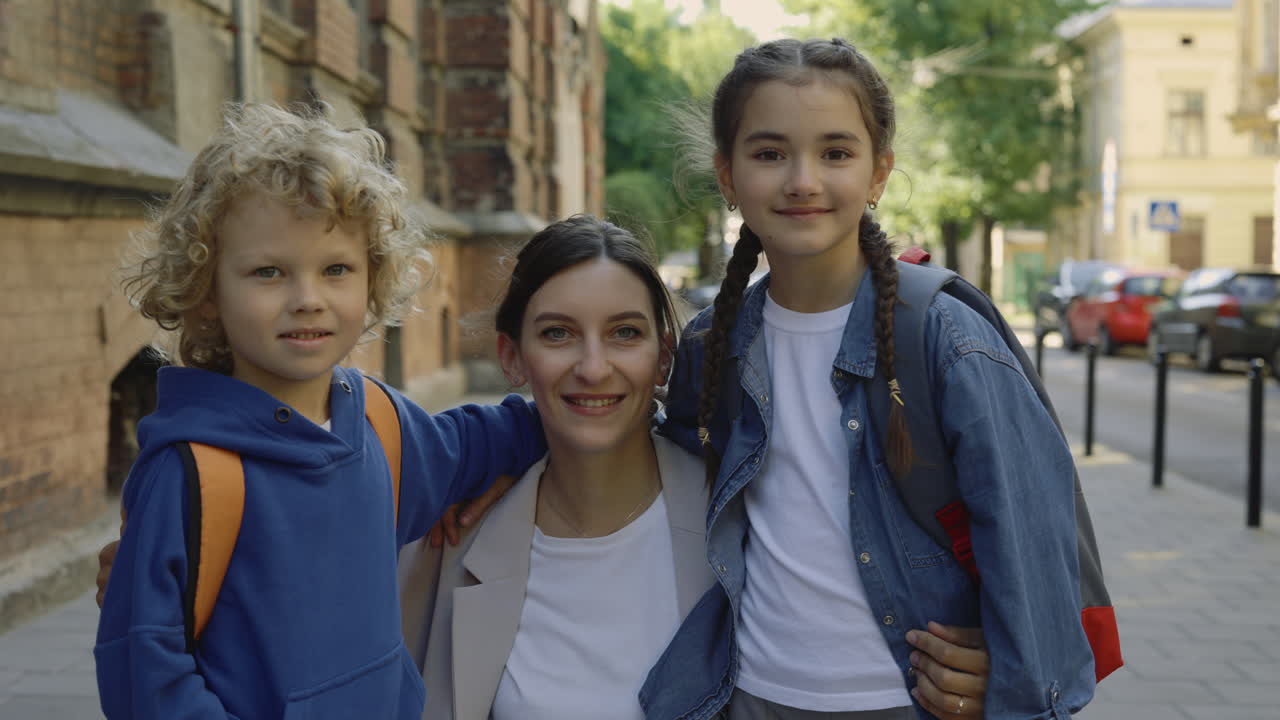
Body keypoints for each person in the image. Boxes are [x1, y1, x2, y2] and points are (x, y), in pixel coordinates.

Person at [643, 38, 1095, 720]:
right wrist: (502, 468)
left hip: (907, 701)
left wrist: (1007, 681)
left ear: (879, 172)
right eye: (769, 153)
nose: (802, 180)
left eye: (836, 152)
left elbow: (1033, 547)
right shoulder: (713, 343)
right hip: (748, 694)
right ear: (727, 175)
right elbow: (660, 479)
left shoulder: (947, 339)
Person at [394, 215, 992, 720]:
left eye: (625, 333)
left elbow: (871, 633)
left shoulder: (747, 510)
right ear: (512, 356)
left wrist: (973, 673)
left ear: (665, 358)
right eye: (558, 334)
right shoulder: (455, 536)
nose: (594, 366)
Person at [93, 103, 544, 720]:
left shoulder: (381, 424)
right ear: (206, 296)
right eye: (268, 272)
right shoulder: (191, 470)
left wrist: (586, 414)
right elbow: (143, 672)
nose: (308, 300)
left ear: (373, 280)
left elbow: (474, 443)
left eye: (336, 269)